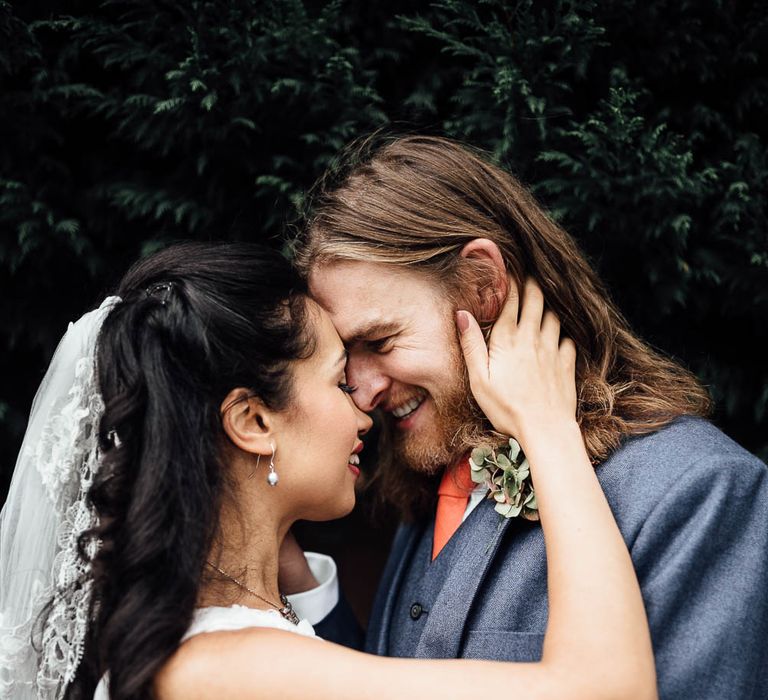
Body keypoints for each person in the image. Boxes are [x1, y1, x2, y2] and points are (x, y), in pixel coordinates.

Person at [0, 242, 656, 700]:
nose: (365, 409)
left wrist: (258, 524)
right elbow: (606, 691)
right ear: (254, 423)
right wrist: (546, 427)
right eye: (341, 380)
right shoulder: (223, 670)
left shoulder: (225, 642)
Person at [292, 135, 768, 700]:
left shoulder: (699, 489)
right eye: (349, 359)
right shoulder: (434, 480)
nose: (363, 392)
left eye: (381, 340)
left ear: (483, 286)